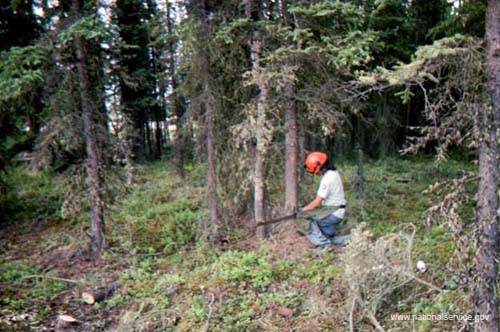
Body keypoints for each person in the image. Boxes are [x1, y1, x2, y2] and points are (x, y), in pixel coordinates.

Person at [301, 151, 350, 248]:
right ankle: (350, 240)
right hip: (336, 210)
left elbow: (317, 202)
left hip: (333, 212)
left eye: (316, 171)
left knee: (313, 221)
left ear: (320, 167)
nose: (317, 174)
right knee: (330, 236)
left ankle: (324, 245)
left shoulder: (327, 179)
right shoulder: (334, 173)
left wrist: (303, 211)